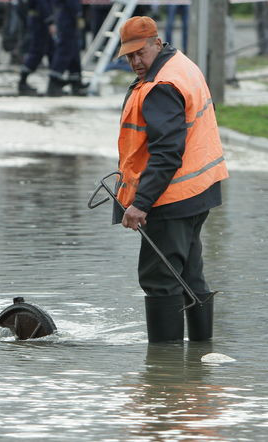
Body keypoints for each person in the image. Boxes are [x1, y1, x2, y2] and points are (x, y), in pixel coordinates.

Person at [114, 16, 228, 343]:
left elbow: (166, 154)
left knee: (160, 279)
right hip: (200, 190)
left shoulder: (162, 86)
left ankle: (164, 372)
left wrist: (140, 203)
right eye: (129, 56)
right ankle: (198, 359)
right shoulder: (182, 65)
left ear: (157, 43)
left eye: (141, 53)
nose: (136, 61)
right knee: (190, 275)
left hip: (172, 198)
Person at [46, 0, 86, 96]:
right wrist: (78, 13)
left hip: (67, 17)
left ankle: (76, 82)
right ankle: (54, 83)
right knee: (64, 51)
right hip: (67, 18)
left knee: (74, 52)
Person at [18, 0, 55, 95]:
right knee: (37, 51)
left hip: (39, 19)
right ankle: (22, 81)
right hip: (40, 21)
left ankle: (55, 82)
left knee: (52, 51)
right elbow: (43, 3)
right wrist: (50, 21)